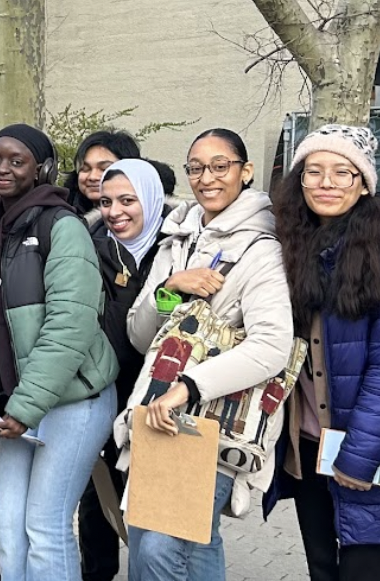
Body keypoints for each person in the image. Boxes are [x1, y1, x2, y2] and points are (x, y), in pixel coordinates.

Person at [119, 128, 293, 581]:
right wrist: (170, 288)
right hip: (160, 415)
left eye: (220, 166)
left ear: (245, 171)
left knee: (158, 547)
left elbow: (272, 345)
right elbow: (140, 336)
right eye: (196, 168)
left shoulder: (261, 249)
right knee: (192, 543)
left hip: (211, 423)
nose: (206, 178)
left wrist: (188, 387)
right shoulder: (178, 238)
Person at [0, 123, 119, 581]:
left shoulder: (62, 227)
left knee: (45, 528)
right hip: (21, 403)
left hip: (75, 398)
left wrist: (24, 406)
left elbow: (70, 326)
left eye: (17, 160)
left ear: (43, 169)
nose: (1, 168)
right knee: (8, 530)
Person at [265, 126, 380, 581]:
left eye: (342, 172)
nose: (326, 183)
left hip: (366, 446)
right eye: (313, 171)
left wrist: (359, 454)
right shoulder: (295, 244)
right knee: (321, 569)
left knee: (365, 572)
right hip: (308, 442)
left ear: (364, 182)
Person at [78, 157, 175, 581]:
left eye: (127, 201)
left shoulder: (176, 249)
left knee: (153, 518)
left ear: (150, 199)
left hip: (160, 400)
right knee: (97, 500)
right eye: (106, 202)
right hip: (102, 393)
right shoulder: (89, 248)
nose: (115, 212)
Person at [66, 129, 142, 225]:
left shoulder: (143, 220)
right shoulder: (62, 214)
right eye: (85, 169)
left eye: (104, 168)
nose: (92, 177)